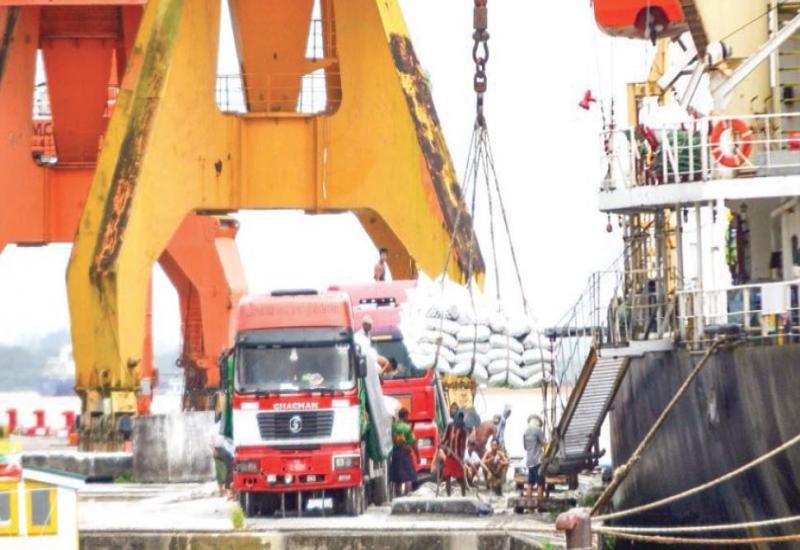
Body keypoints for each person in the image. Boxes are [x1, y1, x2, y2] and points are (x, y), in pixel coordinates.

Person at [389, 408, 419, 496]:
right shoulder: (407, 428)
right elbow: (414, 443)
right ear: (405, 416)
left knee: (397, 478)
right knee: (408, 477)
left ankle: (398, 496)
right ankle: (407, 496)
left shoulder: (393, 427)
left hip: (395, 453)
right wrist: (418, 456)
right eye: (407, 416)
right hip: (405, 453)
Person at [439, 410, 468, 496]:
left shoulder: (463, 430)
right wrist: (440, 444)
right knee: (447, 475)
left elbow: (463, 445)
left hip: (458, 457)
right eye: (459, 418)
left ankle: (463, 495)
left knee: (460, 477)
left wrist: (462, 458)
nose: (460, 420)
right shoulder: (450, 426)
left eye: (461, 418)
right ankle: (448, 496)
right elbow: (445, 437)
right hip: (450, 455)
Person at [523, 414, 546, 510]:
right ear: (538, 422)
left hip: (529, 461)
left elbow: (525, 447)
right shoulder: (538, 430)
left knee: (530, 483)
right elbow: (545, 443)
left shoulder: (525, 432)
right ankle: (540, 506)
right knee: (540, 483)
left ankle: (529, 506)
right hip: (538, 461)